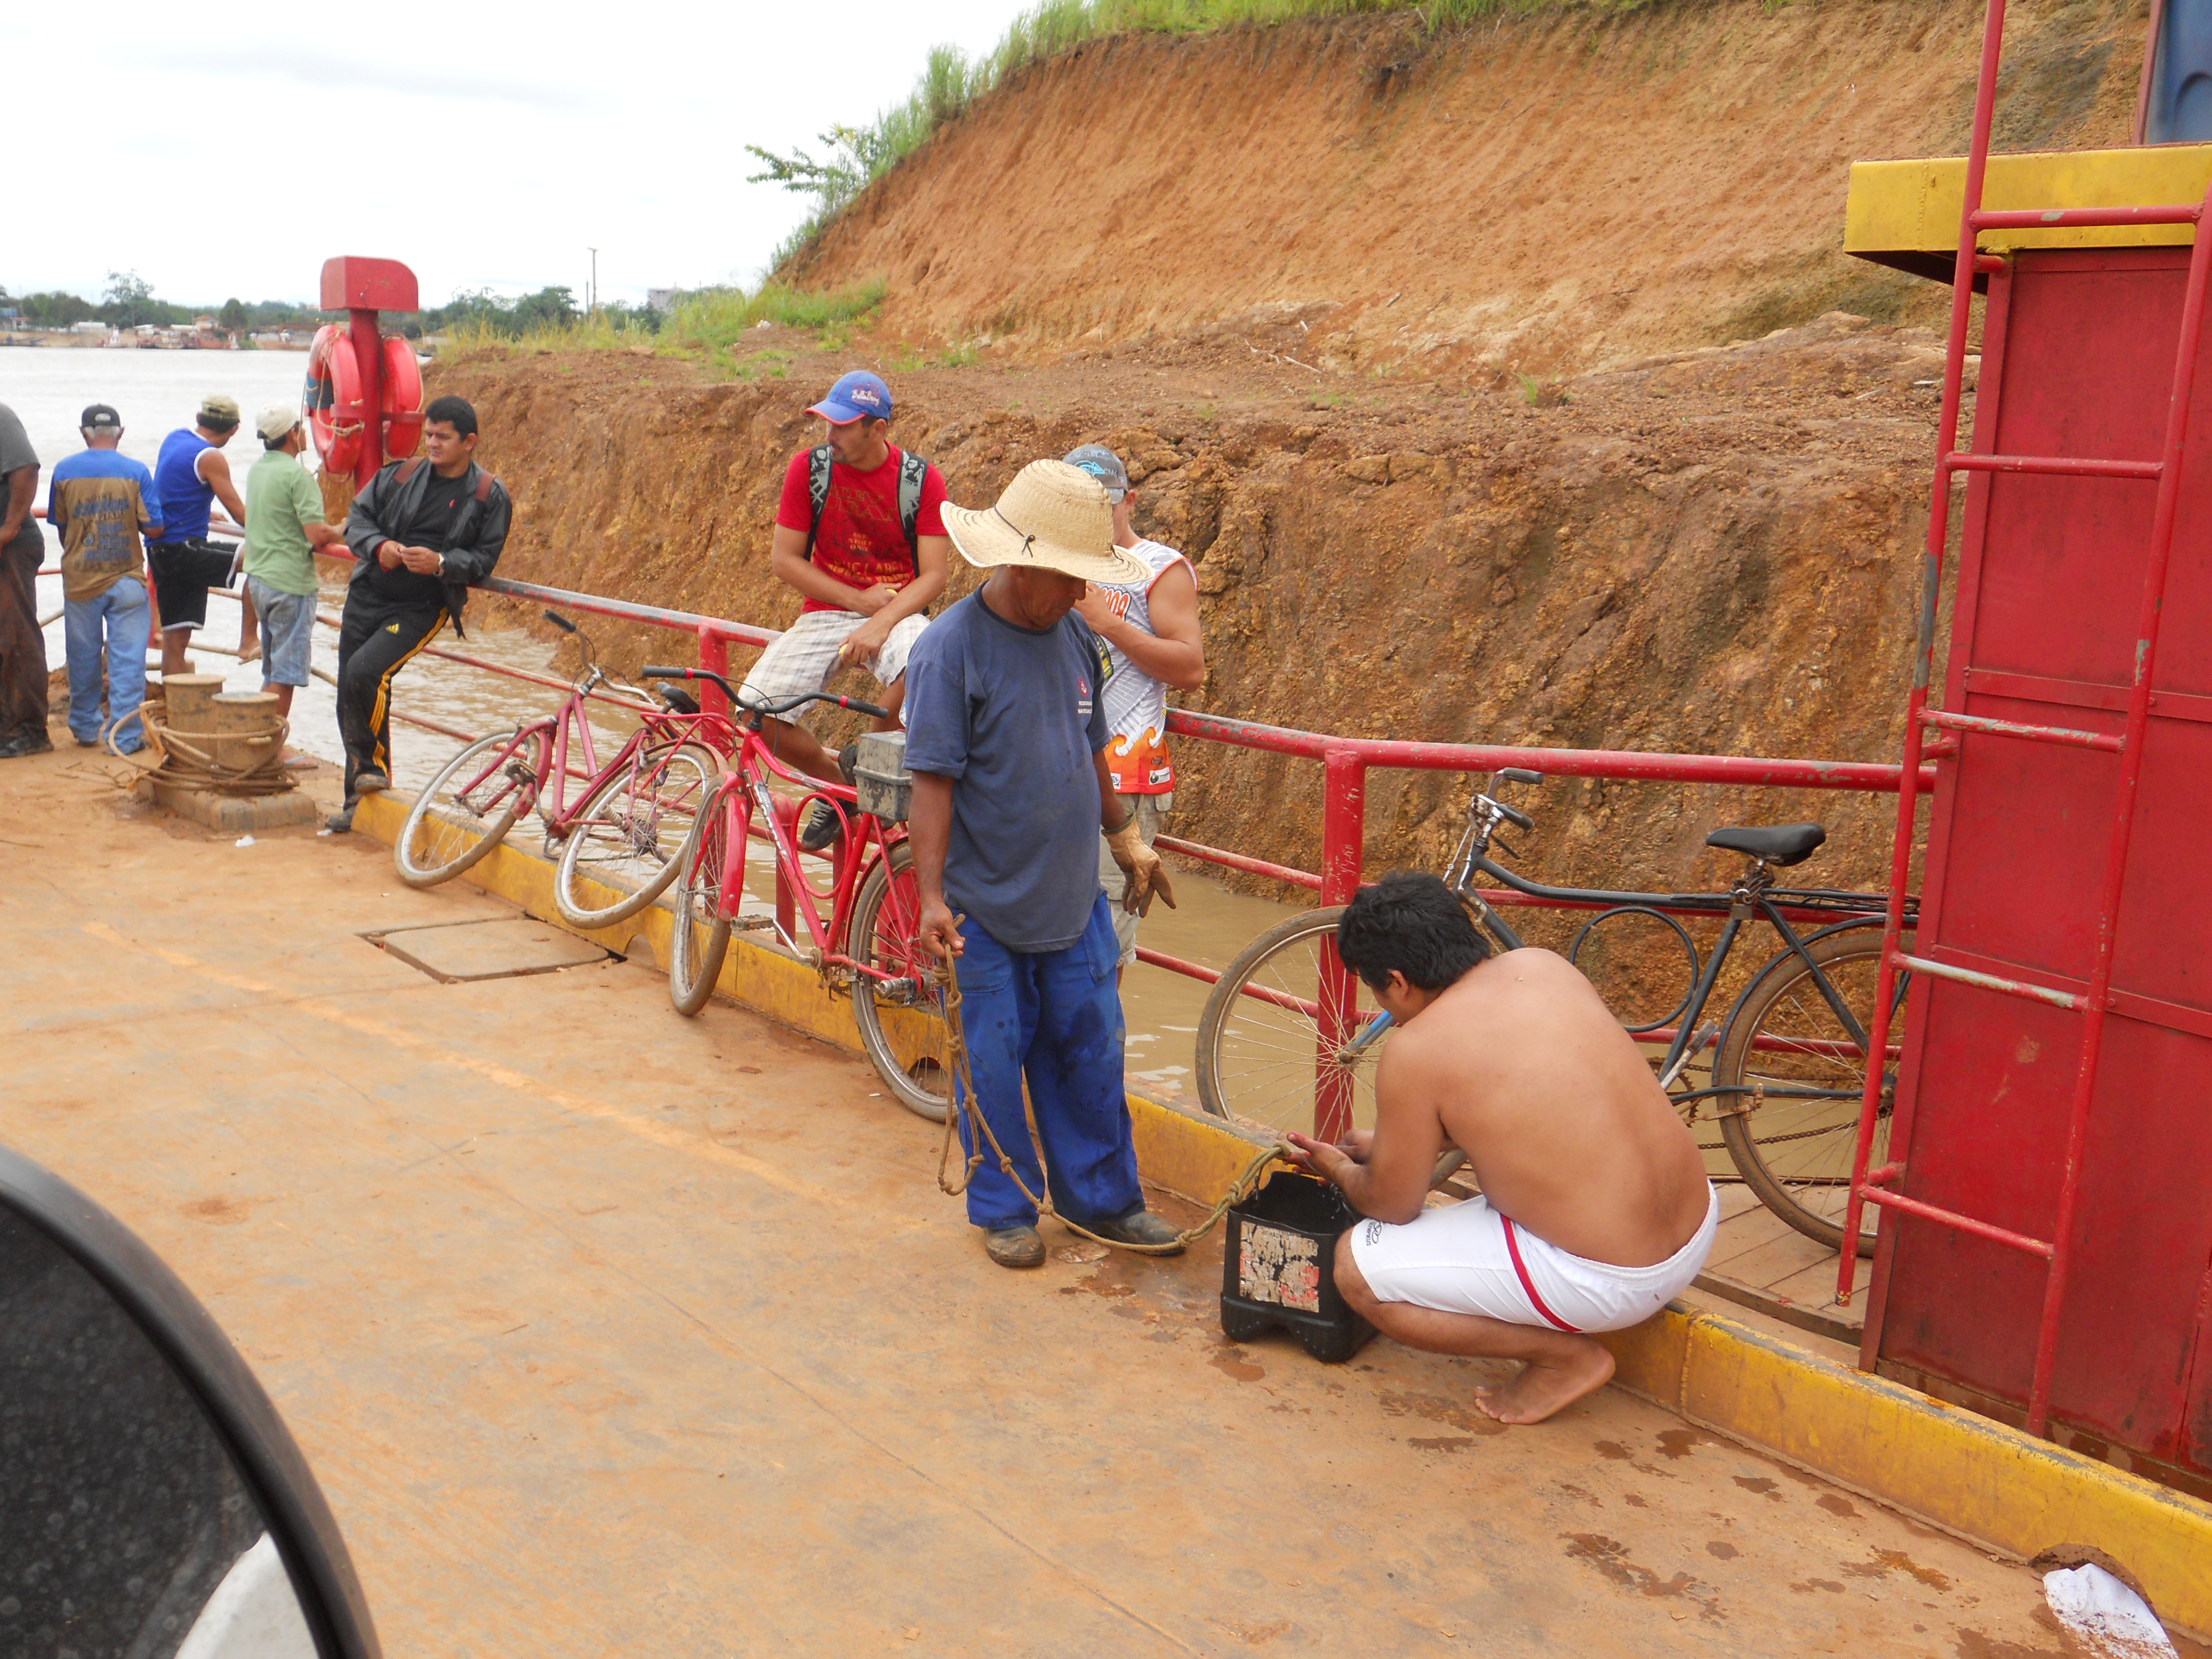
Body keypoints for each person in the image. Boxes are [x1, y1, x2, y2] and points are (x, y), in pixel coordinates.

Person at [1286, 873, 1718, 1426]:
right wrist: (1392, 1143)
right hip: (1696, 1229)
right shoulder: (1542, 967)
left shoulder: (1416, 1049)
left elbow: (1391, 1206)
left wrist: (1340, 1167)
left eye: (1376, 991)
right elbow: (1519, 1110)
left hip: (1616, 1281)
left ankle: (1563, 1361)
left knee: (1354, 1269)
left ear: (1395, 981)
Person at [906, 459, 1181, 1270]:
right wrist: (931, 899)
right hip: (985, 908)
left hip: (1074, 902)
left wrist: (1125, 836)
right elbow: (933, 784)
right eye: (1066, 580)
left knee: (1091, 1050)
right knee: (993, 1061)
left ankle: (1106, 1200)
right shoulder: (951, 652)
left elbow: (1089, 745)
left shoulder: (1068, 632)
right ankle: (1006, 1209)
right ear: (1018, 563)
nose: (1076, 597)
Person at [746, 371, 949, 851]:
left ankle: (870, 759)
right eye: (827, 423)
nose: (830, 435)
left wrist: (881, 621)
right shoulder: (809, 469)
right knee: (756, 714)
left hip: (897, 611)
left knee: (926, 654)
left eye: (842, 426)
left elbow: (935, 576)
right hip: (828, 609)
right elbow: (785, 561)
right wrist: (859, 603)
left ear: (877, 430)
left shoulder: (919, 481)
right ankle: (844, 786)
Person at [328, 395, 510, 833]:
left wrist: (443, 564)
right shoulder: (399, 475)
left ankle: (371, 773)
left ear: (469, 442)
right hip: (368, 592)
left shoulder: (489, 494)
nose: (431, 443)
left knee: (365, 672)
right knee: (350, 691)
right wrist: (380, 547)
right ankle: (360, 797)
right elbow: (357, 519)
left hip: (421, 606)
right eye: (428, 434)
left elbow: (485, 559)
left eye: (442, 437)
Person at [1063, 444, 1206, 980]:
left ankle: (1094, 1061)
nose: (1095, 514)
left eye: (1107, 501)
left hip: (1125, 774)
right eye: (1079, 502)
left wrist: (1110, 623)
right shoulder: (1052, 559)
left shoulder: (1158, 567)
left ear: (1130, 501)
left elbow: (1190, 667)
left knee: (1101, 945)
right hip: (1053, 767)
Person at [46, 405, 162, 754]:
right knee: (128, 660)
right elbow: (155, 527)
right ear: (120, 433)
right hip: (126, 577)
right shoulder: (136, 471)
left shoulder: (64, 471)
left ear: (84, 433)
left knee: (83, 656)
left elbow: (61, 525)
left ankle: (84, 728)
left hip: (80, 579)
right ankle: (124, 739)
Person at [239, 406, 343, 718]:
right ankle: (270, 747)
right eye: (300, 427)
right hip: (290, 585)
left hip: (260, 581)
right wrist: (341, 529)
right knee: (285, 677)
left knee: (272, 671)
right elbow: (316, 535)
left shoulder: (259, 469)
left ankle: (254, 736)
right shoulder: (297, 476)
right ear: (291, 434)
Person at [147, 394, 258, 678]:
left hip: (160, 550)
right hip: (183, 549)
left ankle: (174, 708)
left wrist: (201, 512)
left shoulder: (175, 438)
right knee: (263, 557)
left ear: (199, 419)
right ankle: (249, 640)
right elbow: (241, 515)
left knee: (175, 640)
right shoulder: (211, 457)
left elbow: (168, 488)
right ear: (234, 429)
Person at [0, 400, 49, 759]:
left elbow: (26, 470)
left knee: (16, 637)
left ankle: (30, 730)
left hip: (11, 546)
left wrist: (9, 528)